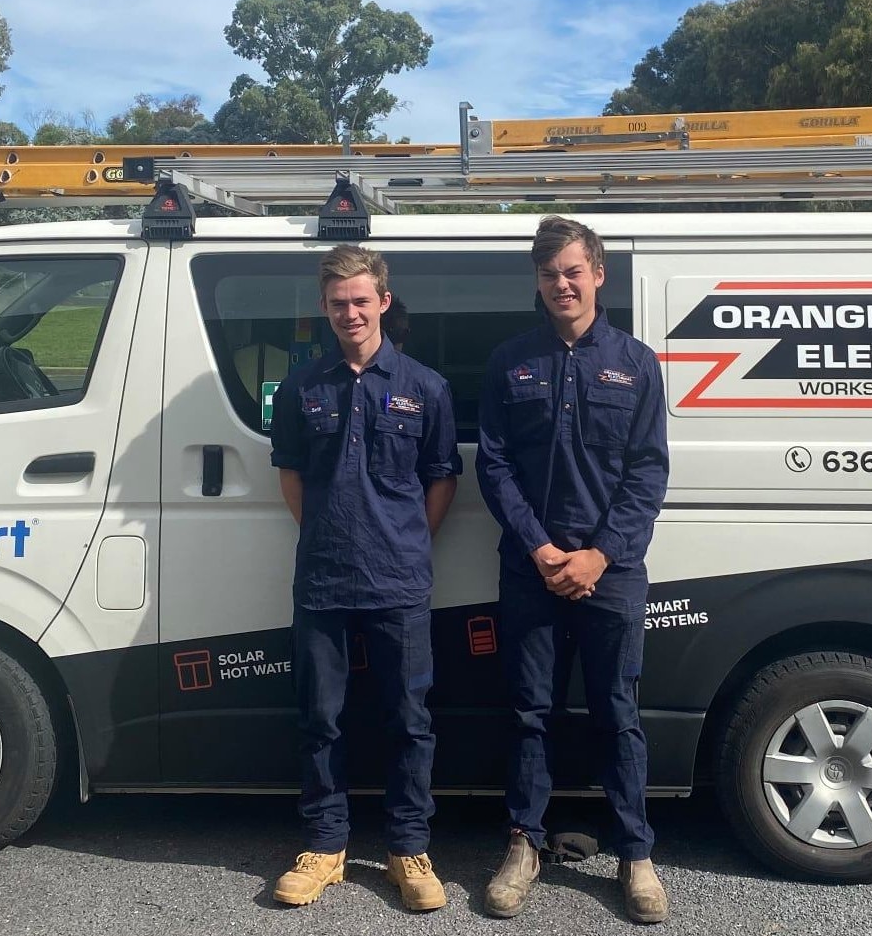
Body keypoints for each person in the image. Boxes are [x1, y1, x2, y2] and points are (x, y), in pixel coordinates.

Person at [475, 216, 670, 923]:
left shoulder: (636, 361)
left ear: (597, 275)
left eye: (573, 270)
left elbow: (648, 473)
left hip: (610, 574)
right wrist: (539, 547)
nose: (562, 283)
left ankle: (635, 854)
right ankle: (523, 843)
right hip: (531, 569)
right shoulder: (508, 361)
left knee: (617, 714)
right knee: (529, 714)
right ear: (537, 280)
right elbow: (491, 465)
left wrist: (597, 553)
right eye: (550, 272)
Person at [268, 244, 461, 911]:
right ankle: (326, 846)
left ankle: (408, 848)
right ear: (323, 308)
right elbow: (290, 474)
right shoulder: (302, 387)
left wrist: (404, 541)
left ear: (382, 301)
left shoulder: (426, 386)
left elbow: (441, 480)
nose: (350, 312)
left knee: (408, 721)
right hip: (321, 578)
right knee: (321, 719)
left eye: (360, 300)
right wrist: (327, 533)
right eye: (337, 302)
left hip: (399, 583)